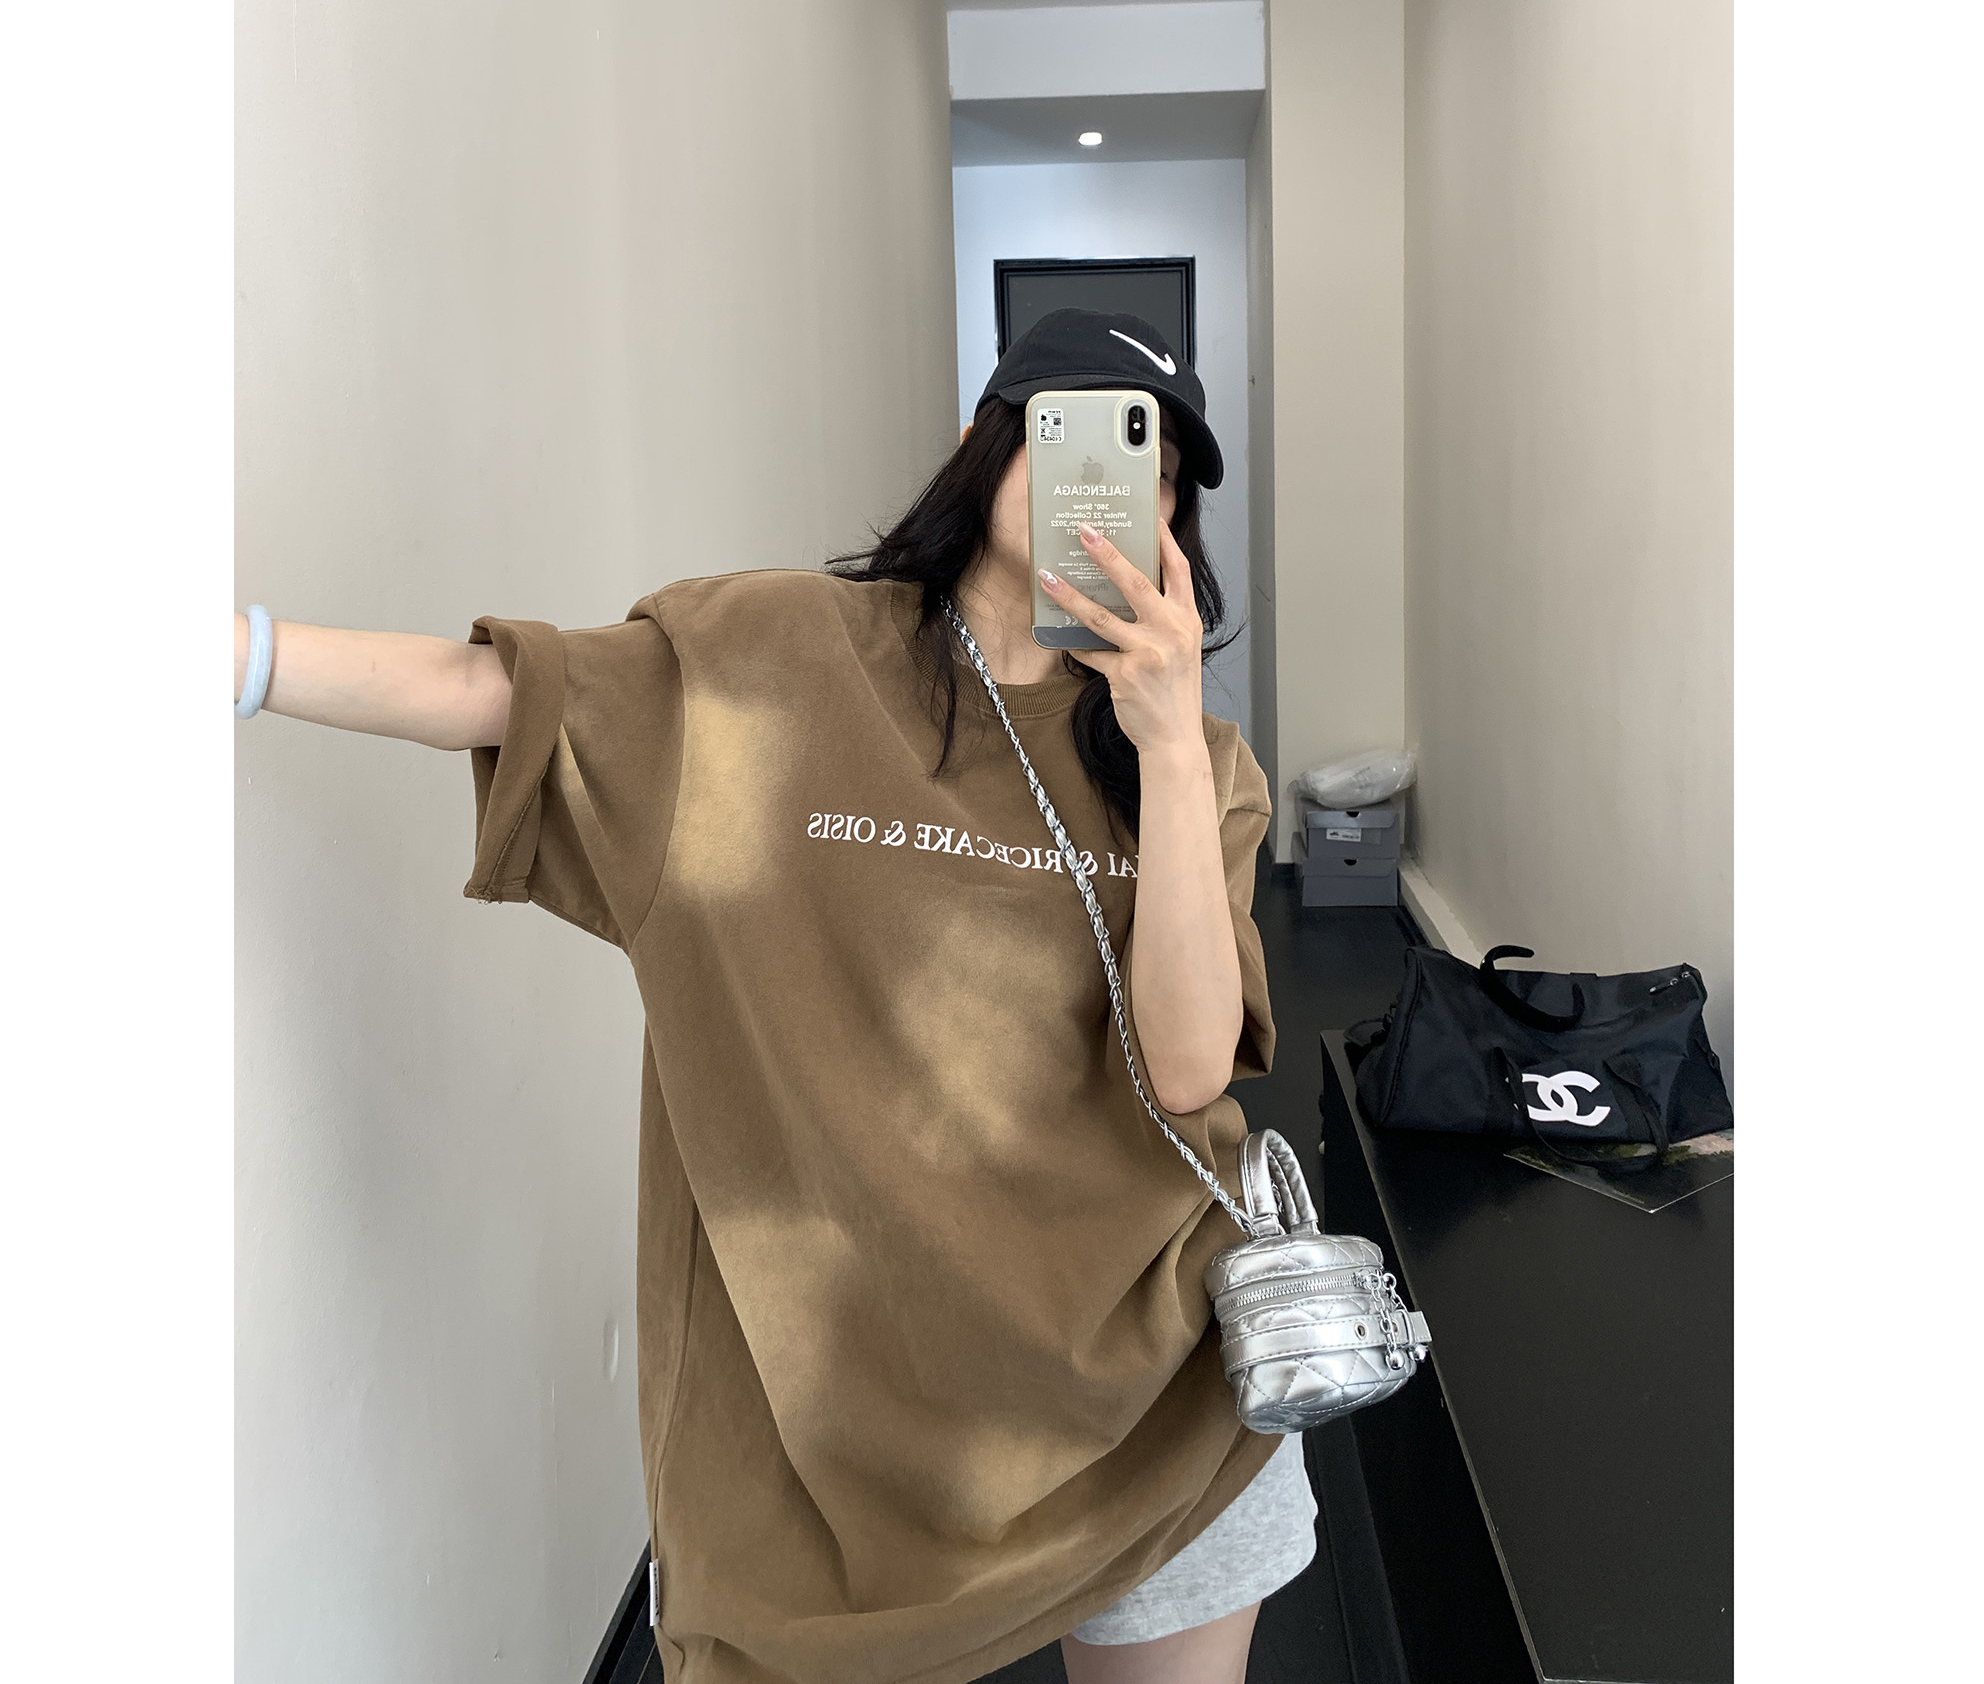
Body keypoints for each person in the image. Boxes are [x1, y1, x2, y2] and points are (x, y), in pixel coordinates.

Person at [235, 309, 1315, 1684]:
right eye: (1070, 431)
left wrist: (1163, 743)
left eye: (1150, 465)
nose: (1110, 485)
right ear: (980, 445)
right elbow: (495, 691)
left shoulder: (1200, 764)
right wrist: (240, 656)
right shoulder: (777, 654)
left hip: (1158, 1399)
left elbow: (1188, 1068)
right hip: (833, 1449)